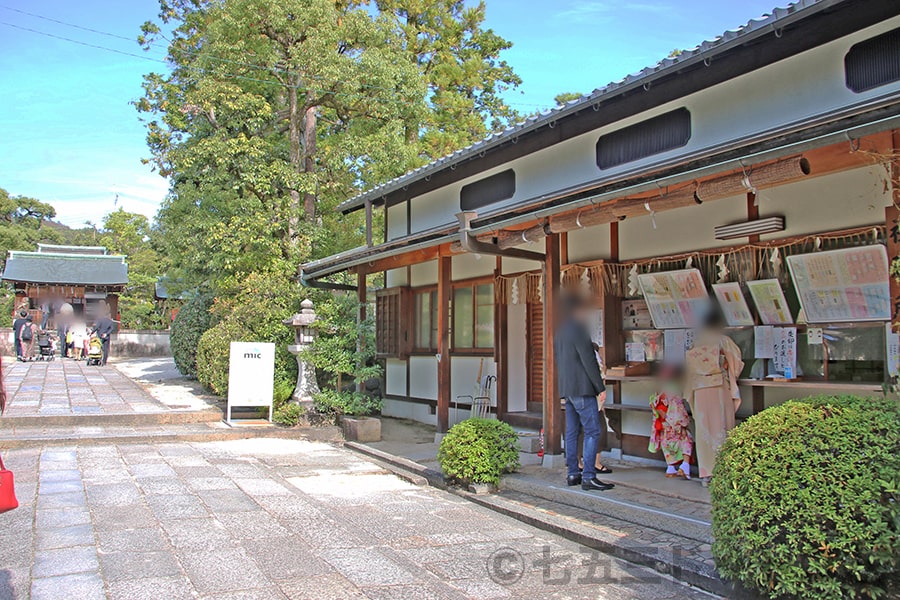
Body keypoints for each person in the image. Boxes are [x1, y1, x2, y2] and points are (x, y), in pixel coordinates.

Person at [554, 294, 614, 492]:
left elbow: (559, 361)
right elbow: (589, 360)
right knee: (592, 430)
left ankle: (573, 472)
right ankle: (589, 475)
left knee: (571, 432)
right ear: (578, 310)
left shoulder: (560, 331)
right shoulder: (579, 329)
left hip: (568, 389)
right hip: (582, 388)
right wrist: (600, 387)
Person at [684, 317, 744, 486]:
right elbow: (736, 363)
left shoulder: (696, 342)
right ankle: (723, 471)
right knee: (722, 426)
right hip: (718, 388)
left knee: (704, 431)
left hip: (700, 390)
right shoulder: (723, 341)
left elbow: (689, 371)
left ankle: (705, 474)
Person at [649, 365, 693, 479]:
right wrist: (683, 424)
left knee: (667, 445)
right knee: (686, 440)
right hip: (674, 421)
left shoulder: (658, 391)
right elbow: (678, 408)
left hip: (663, 423)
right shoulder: (673, 389)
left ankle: (670, 468)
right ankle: (685, 466)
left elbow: (655, 405)